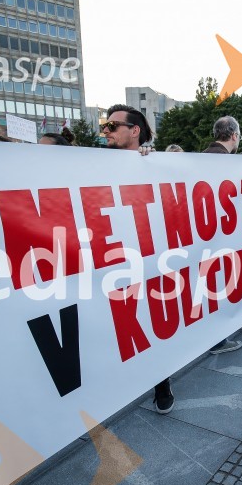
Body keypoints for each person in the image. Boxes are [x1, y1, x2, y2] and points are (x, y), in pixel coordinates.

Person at [102, 104, 175, 414]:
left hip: (146, 259)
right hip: (109, 259)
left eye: (112, 126)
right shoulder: (90, 164)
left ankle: (161, 384)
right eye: (104, 125)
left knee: (150, 321)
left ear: (134, 131)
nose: (105, 131)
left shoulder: (153, 164)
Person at [201, 116, 242, 348]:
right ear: (234, 135)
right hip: (222, 236)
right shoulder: (231, 164)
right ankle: (218, 341)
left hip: (204, 237)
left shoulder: (200, 157)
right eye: (239, 136)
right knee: (221, 287)